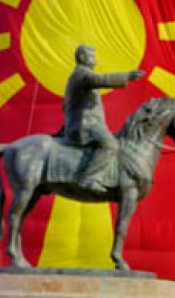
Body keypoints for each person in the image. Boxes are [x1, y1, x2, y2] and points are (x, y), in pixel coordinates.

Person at [61, 43, 145, 190]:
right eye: (91, 56)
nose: (94, 60)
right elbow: (101, 79)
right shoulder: (82, 74)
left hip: (86, 123)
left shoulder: (79, 75)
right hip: (84, 125)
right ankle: (89, 178)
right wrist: (127, 76)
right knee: (111, 144)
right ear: (82, 57)